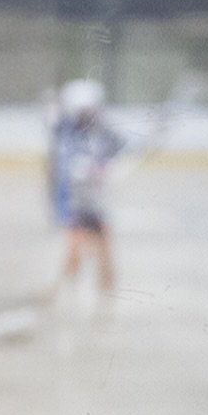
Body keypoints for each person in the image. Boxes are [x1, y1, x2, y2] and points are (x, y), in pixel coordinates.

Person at [50, 78, 125, 301]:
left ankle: (106, 296)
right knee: (74, 250)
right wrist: (88, 169)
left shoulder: (105, 133)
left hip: (97, 202)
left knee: (105, 251)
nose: (90, 114)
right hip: (76, 203)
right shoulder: (66, 135)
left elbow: (123, 149)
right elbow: (65, 166)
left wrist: (108, 166)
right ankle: (66, 293)